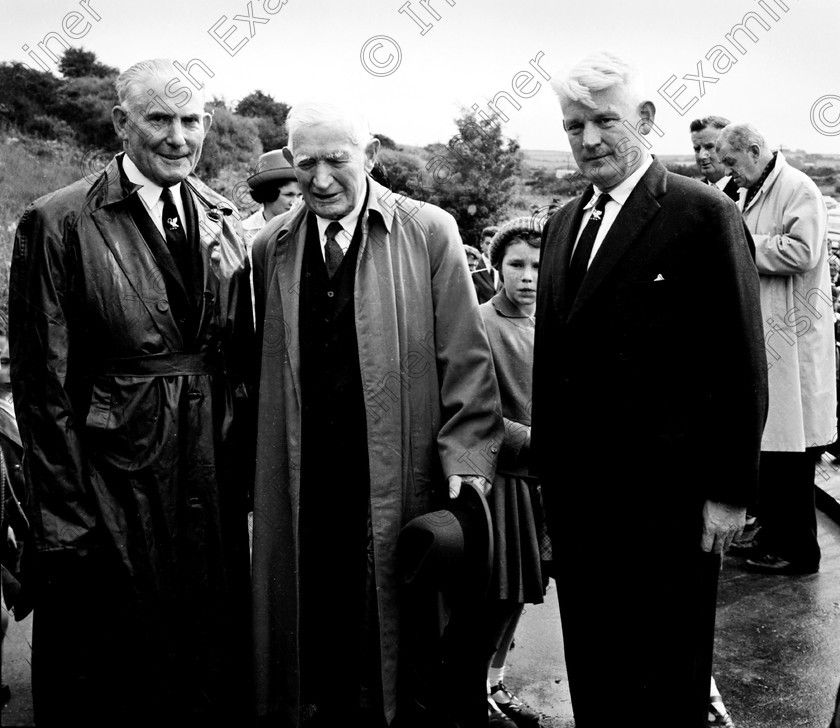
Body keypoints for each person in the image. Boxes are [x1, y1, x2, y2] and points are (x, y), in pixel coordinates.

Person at [9, 58, 254, 727]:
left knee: (202, 668)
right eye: (160, 119)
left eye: (192, 120)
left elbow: (241, 362)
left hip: (206, 480)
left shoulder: (224, 218)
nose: (179, 137)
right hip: (110, 485)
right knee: (113, 675)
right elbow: (42, 387)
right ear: (122, 122)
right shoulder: (59, 220)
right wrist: (63, 525)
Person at [532, 52, 768, 727]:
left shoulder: (702, 215)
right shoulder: (561, 226)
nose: (589, 139)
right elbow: (552, 368)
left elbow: (741, 363)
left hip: (668, 506)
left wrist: (729, 494)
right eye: (574, 125)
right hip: (581, 506)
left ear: (644, 119)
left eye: (604, 120)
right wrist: (548, 487)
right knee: (597, 674)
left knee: (666, 681)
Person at [249, 99, 502, 728]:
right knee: (315, 612)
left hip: (397, 463)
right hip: (306, 472)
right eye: (305, 163)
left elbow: (466, 358)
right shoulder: (270, 247)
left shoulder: (428, 230)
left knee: (397, 619)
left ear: (371, 156)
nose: (321, 179)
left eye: (337, 160)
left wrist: (468, 453)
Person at [717, 122, 836, 575]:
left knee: (791, 455)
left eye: (731, 161)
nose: (727, 170)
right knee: (770, 449)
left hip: (793, 337)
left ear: (755, 149)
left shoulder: (798, 187)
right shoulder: (755, 188)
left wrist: (739, 243)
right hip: (771, 335)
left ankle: (799, 552)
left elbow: (802, 252)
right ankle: (772, 538)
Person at [479, 218, 550, 728]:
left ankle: (496, 680)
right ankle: (475, 684)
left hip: (554, 480)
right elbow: (478, 410)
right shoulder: (481, 323)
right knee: (497, 591)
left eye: (539, 265)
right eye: (517, 265)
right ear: (495, 266)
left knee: (527, 589)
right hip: (508, 480)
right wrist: (539, 442)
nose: (528, 276)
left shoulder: (556, 318)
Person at [242, 149, 302, 248]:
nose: (295, 202)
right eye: (288, 194)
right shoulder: (245, 231)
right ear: (269, 194)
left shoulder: (306, 228)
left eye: (299, 195)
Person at [690, 116, 740, 203]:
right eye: (697, 149)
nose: (702, 156)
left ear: (731, 147)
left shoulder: (745, 191)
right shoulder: (692, 193)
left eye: (709, 147)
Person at [473, 225, 501, 303]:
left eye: (495, 244)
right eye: (488, 243)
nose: (491, 247)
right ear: (481, 244)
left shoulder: (503, 266)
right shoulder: (474, 267)